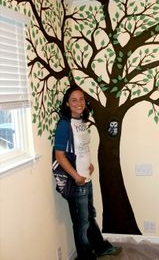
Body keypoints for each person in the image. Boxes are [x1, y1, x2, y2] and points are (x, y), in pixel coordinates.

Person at [53, 84, 121, 260]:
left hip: (86, 177)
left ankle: (99, 247)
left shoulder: (82, 121)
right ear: (67, 104)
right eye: (74, 100)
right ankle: (85, 256)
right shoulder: (64, 124)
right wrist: (76, 176)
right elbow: (60, 155)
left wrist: (89, 165)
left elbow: (81, 148)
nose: (79, 103)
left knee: (90, 216)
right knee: (81, 223)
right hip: (77, 181)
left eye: (81, 99)